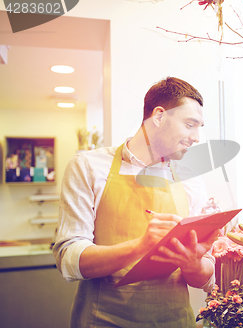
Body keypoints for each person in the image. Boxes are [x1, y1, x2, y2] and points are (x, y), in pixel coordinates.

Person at [53, 77, 219, 327]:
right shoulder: (88, 166)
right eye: (189, 124)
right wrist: (140, 246)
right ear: (159, 116)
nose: (196, 137)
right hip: (102, 320)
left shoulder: (191, 181)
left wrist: (193, 263)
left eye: (199, 127)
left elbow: (206, 280)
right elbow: (68, 259)